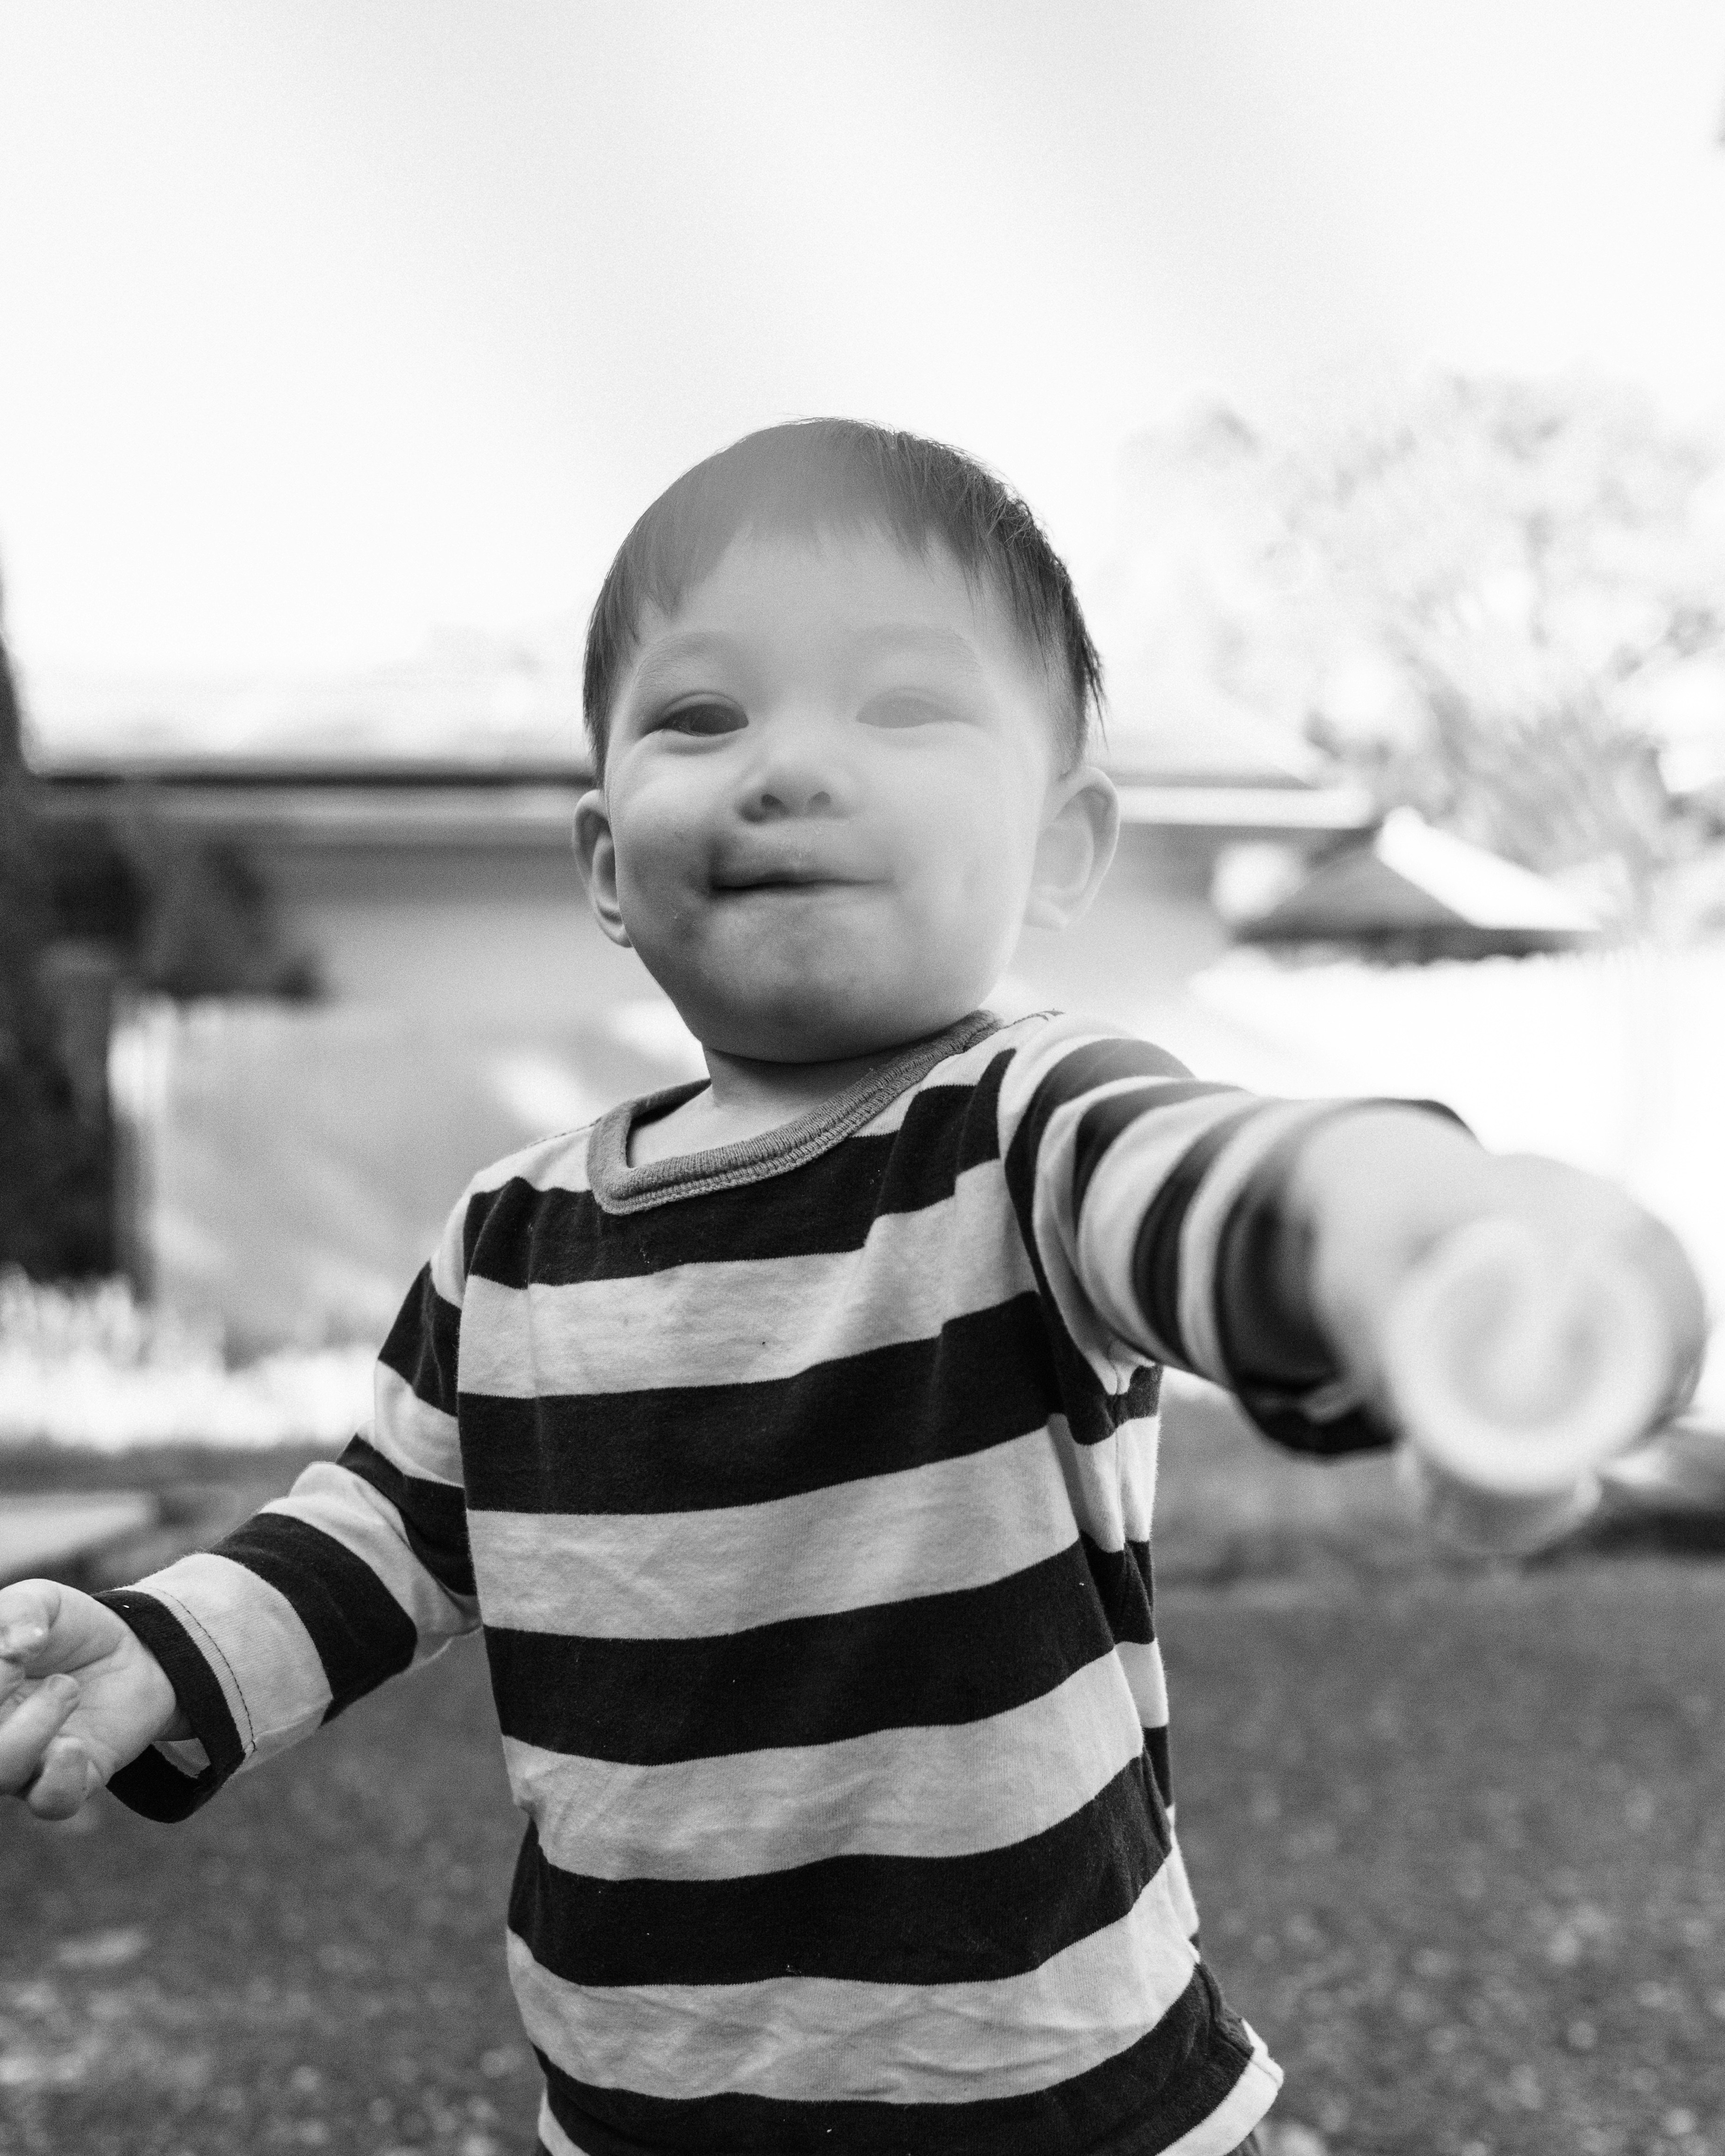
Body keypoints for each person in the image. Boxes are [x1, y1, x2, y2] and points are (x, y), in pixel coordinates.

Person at [0, 420, 1706, 2156]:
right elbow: (387, 1527)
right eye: (702, 715)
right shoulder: (510, 1234)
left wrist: (1388, 1232)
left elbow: (1200, 1188)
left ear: (1059, 848)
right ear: (605, 863)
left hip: (1052, 2099)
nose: (789, 767)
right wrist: (166, 1646)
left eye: (902, 708)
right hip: (644, 2095)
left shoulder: (1020, 1127)